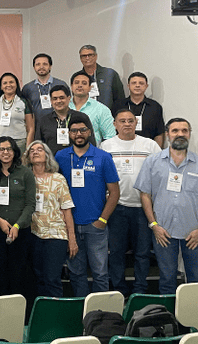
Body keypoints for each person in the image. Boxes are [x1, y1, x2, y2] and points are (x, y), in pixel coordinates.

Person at [135, 118, 198, 295]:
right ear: (167, 134)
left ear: (189, 134)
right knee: (167, 279)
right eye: (175, 131)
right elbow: (145, 195)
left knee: (196, 280)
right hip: (163, 233)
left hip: (194, 234)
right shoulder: (152, 161)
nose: (180, 134)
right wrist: (154, 225)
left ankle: (194, 314)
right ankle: (169, 313)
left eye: (184, 131)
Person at [55, 113, 119, 297]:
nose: (78, 134)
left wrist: (102, 220)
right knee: (76, 273)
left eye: (83, 130)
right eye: (74, 131)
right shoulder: (60, 157)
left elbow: (114, 192)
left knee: (100, 273)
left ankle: (101, 309)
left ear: (90, 132)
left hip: (95, 225)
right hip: (70, 226)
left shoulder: (103, 157)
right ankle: (82, 308)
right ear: (69, 134)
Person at [100, 109, 161, 295]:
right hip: (117, 208)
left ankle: (140, 290)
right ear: (115, 124)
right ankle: (119, 290)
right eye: (122, 121)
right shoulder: (106, 146)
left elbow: (160, 171)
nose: (127, 124)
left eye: (130, 121)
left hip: (143, 208)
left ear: (136, 123)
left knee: (142, 253)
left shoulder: (149, 145)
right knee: (116, 252)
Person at [22, 141, 77, 297]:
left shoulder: (58, 179)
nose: (35, 152)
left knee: (52, 279)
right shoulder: (25, 179)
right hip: (33, 234)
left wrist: (72, 238)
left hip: (56, 235)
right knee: (37, 278)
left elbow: (66, 209)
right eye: (32, 150)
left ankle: (55, 310)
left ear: (47, 155)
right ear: (28, 157)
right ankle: (41, 311)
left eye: (40, 149)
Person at [0, 137, 36, 296]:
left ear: (15, 152)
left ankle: (19, 310)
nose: (6, 152)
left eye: (9, 149)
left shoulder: (25, 173)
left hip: (20, 232)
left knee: (19, 276)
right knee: (0, 276)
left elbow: (30, 204)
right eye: (2, 149)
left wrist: (17, 225)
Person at [0, 73, 34, 161]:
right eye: (5, 83)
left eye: (11, 82)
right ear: (1, 87)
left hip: (19, 142)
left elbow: (30, 128)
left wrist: (28, 149)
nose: (8, 85)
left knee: (20, 168)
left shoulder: (23, 102)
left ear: (17, 84)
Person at [36, 84, 95, 154]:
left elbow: (91, 142)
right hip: (52, 159)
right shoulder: (44, 121)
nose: (58, 101)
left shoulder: (82, 117)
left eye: (62, 98)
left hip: (78, 158)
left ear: (69, 98)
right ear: (51, 101)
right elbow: (38, 145)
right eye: (55, 99)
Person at [111, 72, 165, 148]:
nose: (137, 85)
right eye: (134, 83)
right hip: (121, 148)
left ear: (146, 86)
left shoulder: (155, 106)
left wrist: (156, 152)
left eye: (141, 83)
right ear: (128, 86)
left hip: (147, 149)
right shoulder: (118, 105)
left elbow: (159, 133)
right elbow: (112, 129)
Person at [21, 53, 69, 124]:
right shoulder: (28, 88)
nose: (41, 67)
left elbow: (68, 105)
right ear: (34, 67)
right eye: (38, 64)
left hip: (58, 124)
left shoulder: (61, 84)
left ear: (50, 66)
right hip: (36, 125)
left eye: (45, 64)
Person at [69, 71, 116, 144]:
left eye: (84, 83)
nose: (80, 85)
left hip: (93, 150)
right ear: (71, 87)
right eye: (77, 83)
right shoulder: (64, 107)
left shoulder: (101, 109)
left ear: (90, 88)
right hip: (66, 150)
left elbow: (110, 136)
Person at [76, 45, 125, 109]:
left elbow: (120, 99)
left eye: (90, 55)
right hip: (84, 114)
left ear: (96, 56)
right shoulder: (77, 77)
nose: (87, 58)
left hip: (107, 114)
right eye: (84, 56)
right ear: (80, 58)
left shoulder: (110, 74)